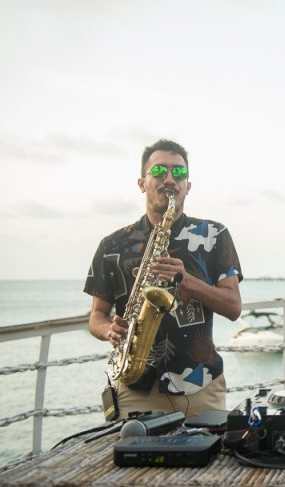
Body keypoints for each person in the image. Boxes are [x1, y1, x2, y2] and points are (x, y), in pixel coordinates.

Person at [86, 139, 243, 419]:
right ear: (142, 183)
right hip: (135, 389)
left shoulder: (215, 235)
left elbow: (233, 308)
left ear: (188, 186)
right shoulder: (111, 245)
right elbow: (97, 315)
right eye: (159, 172)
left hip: (201, 387)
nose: (169, 179)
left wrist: (186, 280)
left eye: (178, 173)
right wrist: (109, 329)